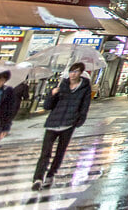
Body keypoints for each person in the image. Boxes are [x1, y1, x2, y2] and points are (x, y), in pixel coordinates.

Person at [33, 62, 91, 190]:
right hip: (53, 123)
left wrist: (78, 121)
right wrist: (53, 94)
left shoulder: (85, 88)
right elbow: (47, 106)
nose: (73, 74)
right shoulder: (60, 85)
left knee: (60, 152)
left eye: (76, 71)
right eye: (71, 71)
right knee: (45, 153)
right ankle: (38, 178)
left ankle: (50, 175)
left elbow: (85, 106)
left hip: (68, 124)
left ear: (81, 73)